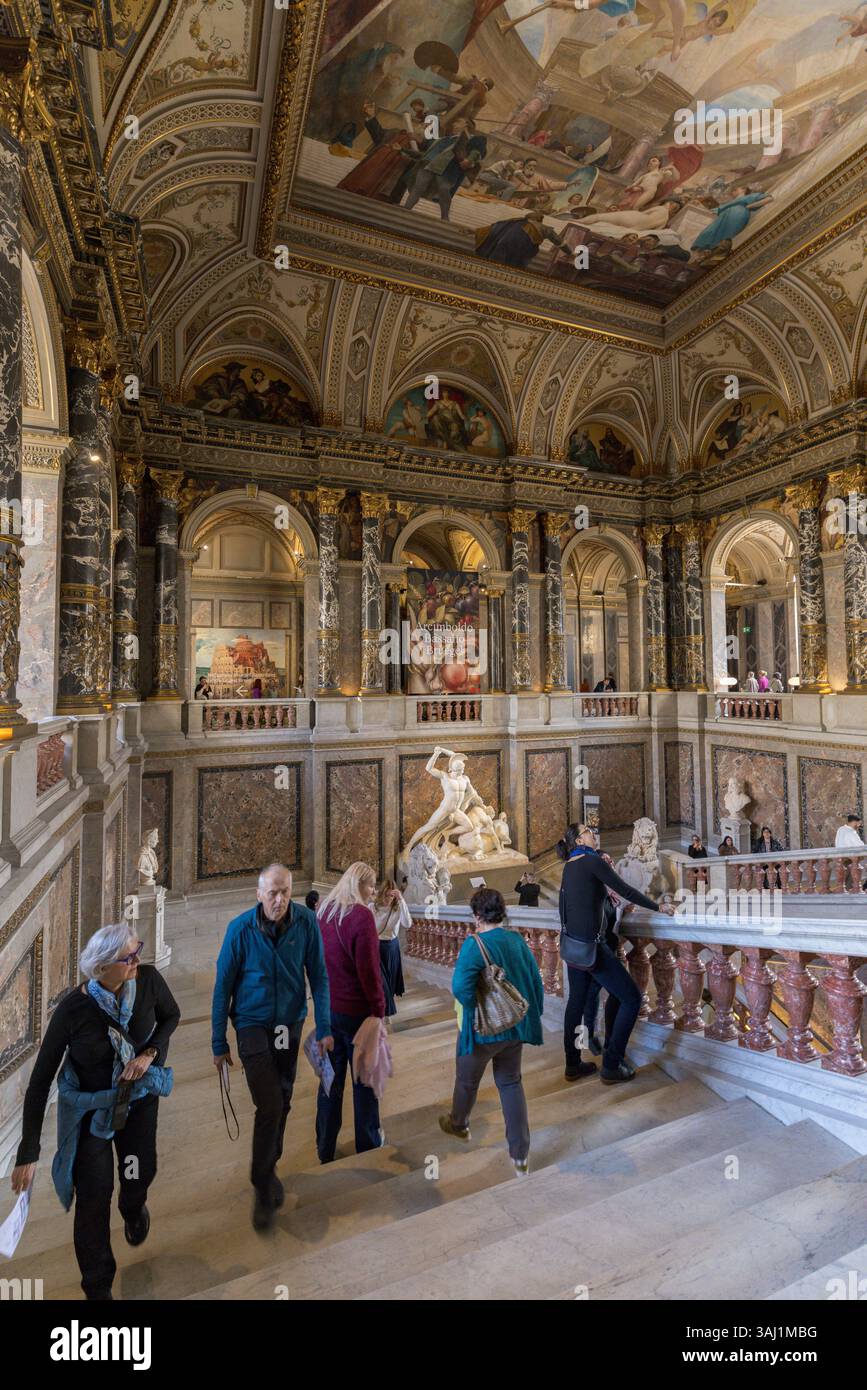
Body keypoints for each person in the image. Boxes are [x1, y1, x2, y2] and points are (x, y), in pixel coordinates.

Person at [11, 924, 179, 1301]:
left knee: (137, 1172)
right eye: (129, 957)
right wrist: (29, 1152)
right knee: (93, 1199)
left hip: (137, 1105)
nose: (137, 960)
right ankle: (98, 1287)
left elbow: (171, 1016)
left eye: (138, 951)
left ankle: (133, 1206)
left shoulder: (149, 980)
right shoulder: (74, 1010)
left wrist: (149, 1053)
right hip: (93, 1115)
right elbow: (39, 1083)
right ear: (102, 968)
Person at [211, 863, 332, 1230]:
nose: (280, 900)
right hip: (251, 1023)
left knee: (283, 1095)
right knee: (270, 1102)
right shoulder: (240, 930)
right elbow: (222, 987)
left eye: (285, 891)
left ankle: (269, 1164)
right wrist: (218, 1040)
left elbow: (320, 977)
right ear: (258, 894)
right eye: (272, 893)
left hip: (288, 1023)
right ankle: (261, 1181)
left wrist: (324, 1025)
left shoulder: (306, 923)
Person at [558, 823, 674, 1084]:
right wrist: (658, 907)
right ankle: (611, 1063)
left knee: (575, 1005)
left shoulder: (570, 865)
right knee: (631, 998)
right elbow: (626, 890)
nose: (593, 834)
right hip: (594, 948)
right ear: (579, 840)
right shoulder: (590, 861)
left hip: (574, 947)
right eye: (588, 831)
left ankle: (573, 1063)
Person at [439, 887, 544, 1175]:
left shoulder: (474, 944)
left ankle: (459, 1124)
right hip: (513, 1026)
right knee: (511, 1083)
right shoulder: (516, 940)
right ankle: (520, 1154)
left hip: (482, 1030)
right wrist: (531, 1015)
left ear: (476, 916)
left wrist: (476, 1009)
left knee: (467, 1082)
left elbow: (460, 988)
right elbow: (535, 980)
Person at [316, 862, 386, 1163]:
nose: (373, 893)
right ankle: (368, 1146)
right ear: (361, 884)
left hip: (329, 1012)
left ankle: (325, 1147)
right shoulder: (361, 917)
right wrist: (379, 1012)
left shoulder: (324, 914)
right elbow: (369, 972)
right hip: (358, 1015)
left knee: (330, 1082)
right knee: (364, 1082)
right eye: (372, 886)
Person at [373, 878, 410, 1017]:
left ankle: (386, 1008)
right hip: (377, 946)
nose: (389, 898)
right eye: (386, 894)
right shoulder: (373, 907)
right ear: (381, 893)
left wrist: (401, 900)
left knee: (390, 981)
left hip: (392, 947)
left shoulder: (398, 908)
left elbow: (407, 923)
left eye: (392, 895)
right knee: (381, 982)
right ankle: (384, 1011)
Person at [751, 824, 783, 890]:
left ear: (770, 834)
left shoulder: (775, 842)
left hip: (774, 862)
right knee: (762, 870)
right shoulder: (759, 842)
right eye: (765, 832)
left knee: (779, 869)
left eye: (768, 832)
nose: (766, 834)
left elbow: (781, 851)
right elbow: (754, 852)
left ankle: (779, 886)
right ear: (762, 834)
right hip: (763, 862)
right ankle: (765, 887)